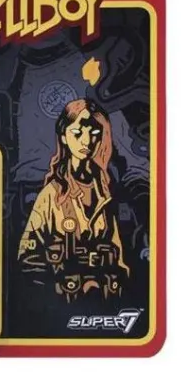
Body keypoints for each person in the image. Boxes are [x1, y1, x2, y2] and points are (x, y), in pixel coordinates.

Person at [18, 98, 129, 302]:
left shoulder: (105, 193)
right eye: (77, 133)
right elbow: (26, 257)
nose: (86, 141)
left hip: (103, 299)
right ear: (64, 136)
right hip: (62, 298)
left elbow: (119, 258)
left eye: (93, 133)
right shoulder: (51, 194)